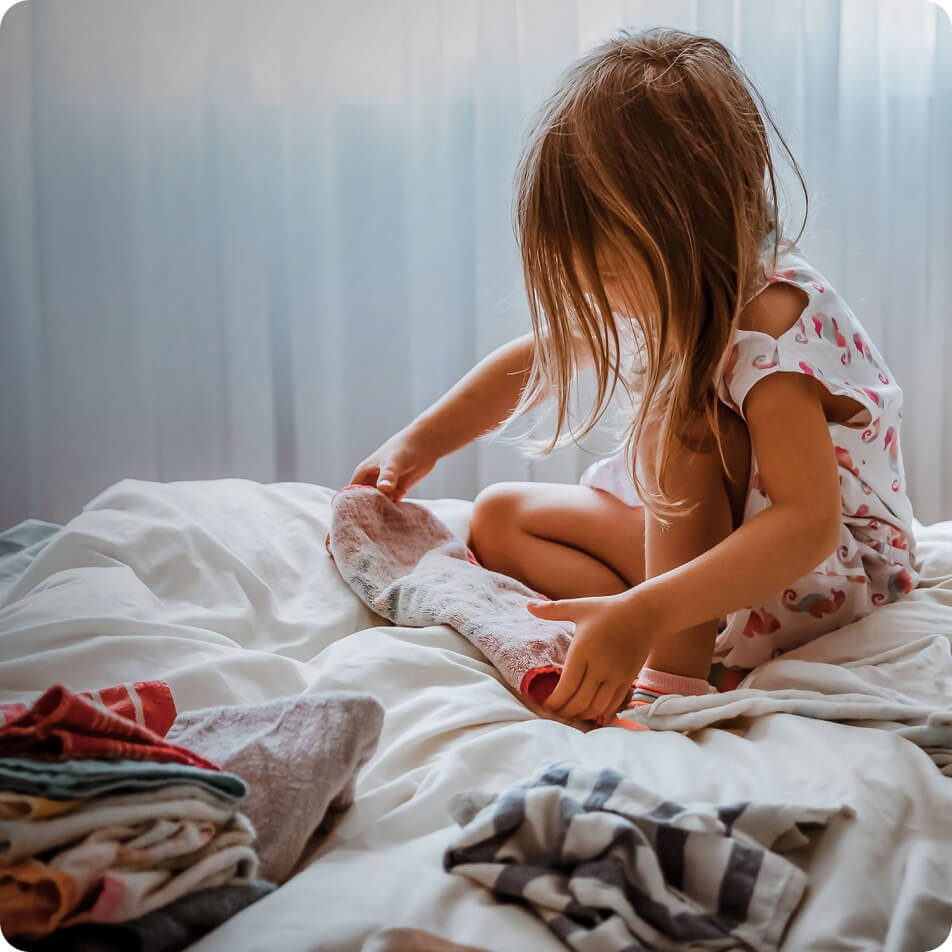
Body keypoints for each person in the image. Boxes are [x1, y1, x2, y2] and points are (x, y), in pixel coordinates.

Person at [347, 27, 919, 729]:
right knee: (498, 518)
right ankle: (663, 618)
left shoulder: (771, 334)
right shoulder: (688, 280)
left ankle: (671, 679)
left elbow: (807, 525)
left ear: (689, 229)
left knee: (678, 423)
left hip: (822, 577)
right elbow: (550, 352)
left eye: (611, 272)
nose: (603, 297)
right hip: (739, 548)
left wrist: (649, 609)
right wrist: (420, 442)